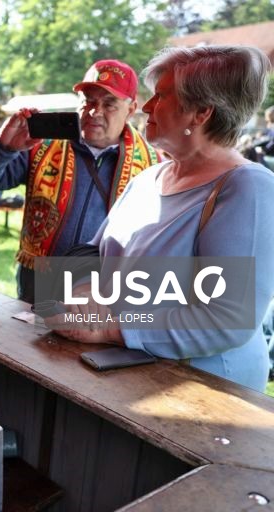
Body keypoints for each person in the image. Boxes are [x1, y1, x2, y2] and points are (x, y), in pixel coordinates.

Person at [52, 45, 274, 392]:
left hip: (203, 392)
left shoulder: (247, 187)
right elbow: (92, 254)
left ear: (201, 112)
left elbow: (228, 320)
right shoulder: (148, 178)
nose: (149, 106)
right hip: (124, 374)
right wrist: (80, 288)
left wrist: (112, 329)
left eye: (161, 96)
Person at [0, 59, 160, 302]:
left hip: (102, 292)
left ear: (131, 109)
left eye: (109, 103)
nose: (94, 111)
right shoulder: (40, 143)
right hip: (38, 284)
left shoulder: (153, 164)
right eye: (88, 101)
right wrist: (2, 146)